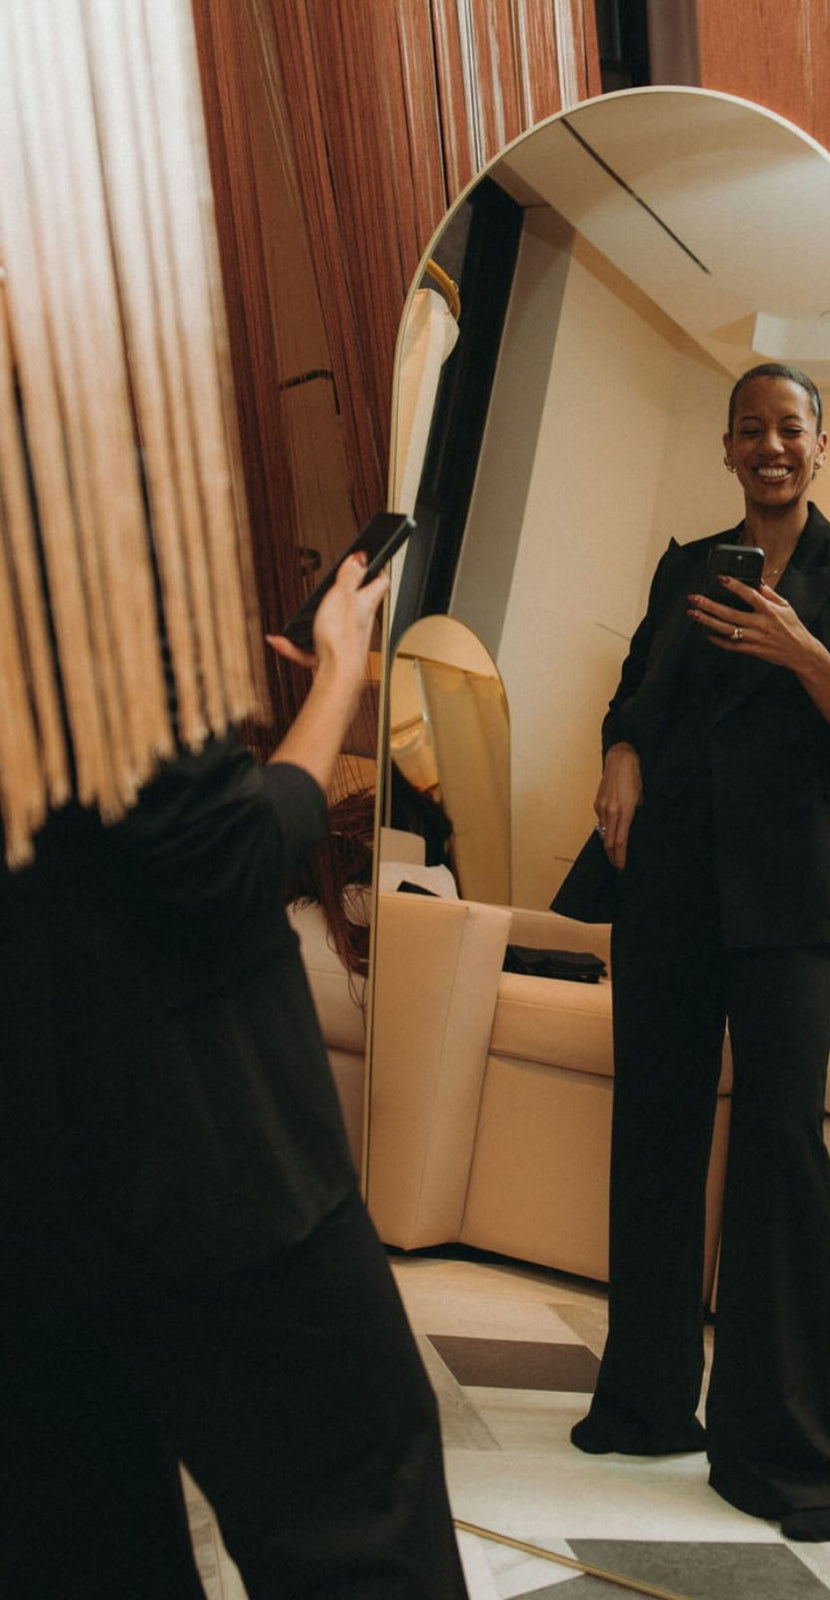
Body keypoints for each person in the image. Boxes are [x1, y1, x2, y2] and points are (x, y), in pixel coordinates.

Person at [1, 553, 469, 1598]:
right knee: (364, 1516)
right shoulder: (73, 532)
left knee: (83, 1546)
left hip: (31, 1175)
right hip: (202, 1154)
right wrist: (341, 674)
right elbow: (220, 856)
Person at [568, 363, 830, 1542]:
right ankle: (647, 1400)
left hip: (792, 900)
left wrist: (802, 648)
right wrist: (619, 753)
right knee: (652, 1126)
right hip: (669, 882)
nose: (770, 446)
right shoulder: (685, 565)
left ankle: (781, 1446)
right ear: (724, 446)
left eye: (789, 429)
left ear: (819, 444)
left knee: (780, 1148)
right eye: (749, 429)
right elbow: (632, 693)